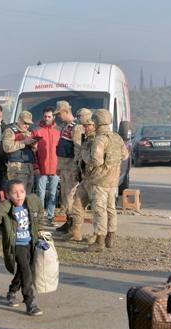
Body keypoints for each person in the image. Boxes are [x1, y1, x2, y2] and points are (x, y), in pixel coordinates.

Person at [0, 179, 45, 316]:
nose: (19, 196)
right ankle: (30, 302)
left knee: (23, 270)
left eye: (22, 192)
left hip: (30, 242)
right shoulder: (6, 207)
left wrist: (41, 232)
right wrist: (4, 205)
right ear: (7, 195)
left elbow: (40, 215)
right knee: (26, 271)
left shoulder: (31, 203)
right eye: (14, 193)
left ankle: (12, 291)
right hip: (17, 244)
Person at [85, 109, 127, 252]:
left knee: (99, 210)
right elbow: (125, 155)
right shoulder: (117, 137)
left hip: (100, 179)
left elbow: (96, 161)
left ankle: (99, 241)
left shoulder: (100, 139)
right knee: (111, 208)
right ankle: (111, 237)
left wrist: (85, 155)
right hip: (113, 179)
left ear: (96, 122)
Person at [68, 108, 94, 242]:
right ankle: (75, 232)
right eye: (85, 125)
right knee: (77, 204)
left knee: (97, 208)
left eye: (88, 125)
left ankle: (97, 236)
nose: (85, 127)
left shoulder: (98, 138)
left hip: (95, 178)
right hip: (84, 176)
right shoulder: (85, 135)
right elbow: (79, 154)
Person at [32, 107, 61, 224]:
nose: (47, 118)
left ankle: (50, 216)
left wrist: (61, 167)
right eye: (45, 116)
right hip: (41, 169)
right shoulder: (37, 131)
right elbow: (33, 152)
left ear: (53, 117)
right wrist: (36, 167)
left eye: (49, 116)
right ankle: (39, 217)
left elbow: (61, 151)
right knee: (41, 194)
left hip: (55, 168)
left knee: (54, 193)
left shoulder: (59, 131)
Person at [54, 101, 78, 233]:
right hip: (64, 166)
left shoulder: (75, 127)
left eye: (59, 114)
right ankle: (68, 220)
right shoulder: (65, 127)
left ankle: (72, 223)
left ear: (65, 112)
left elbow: (78, 148)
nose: (58, 117)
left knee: (70, 195)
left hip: (71, 167)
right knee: (65, 196)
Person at [2, 111, 37, 194]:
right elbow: (7, 147)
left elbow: (32, 150)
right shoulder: (10, 131)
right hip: (16, 168)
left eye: (29, 124)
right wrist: (23, 142)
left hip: (29, 167)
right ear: (19, 120)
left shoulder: (28, 132)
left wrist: (34, 145)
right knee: (17, 194)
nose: (27, 126)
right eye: (25, 123)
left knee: (27, 195)